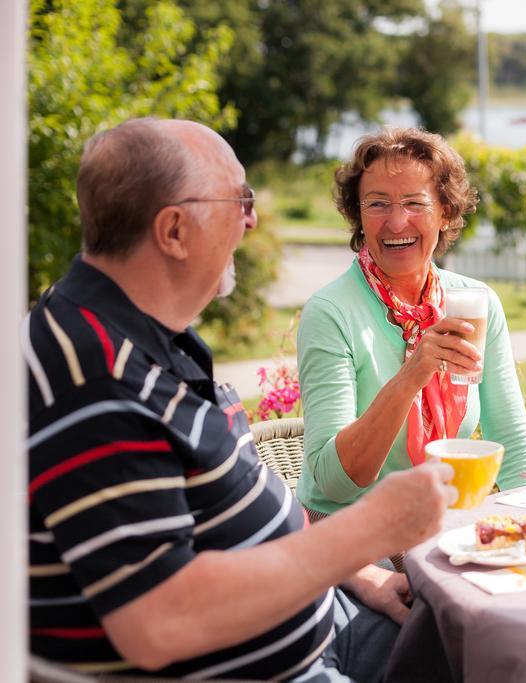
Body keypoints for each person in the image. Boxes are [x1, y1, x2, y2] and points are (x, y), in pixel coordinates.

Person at [25, 117, 455, 681]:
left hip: (331, 612)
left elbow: (242, 501)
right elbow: (159, 622)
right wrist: (367, 532)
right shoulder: (93, 377)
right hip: (286, 668)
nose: (251, 221)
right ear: (174, 230)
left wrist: (361, 574)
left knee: (478, 641)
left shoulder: (147, 336)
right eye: (239, 200)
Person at [296, 128, 526, 517]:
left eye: (414, 202)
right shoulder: (330, 312)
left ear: (445, 212)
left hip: (436, 524)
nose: (396, 223)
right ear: (358, 214)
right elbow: (336, 484)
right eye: (377, 204)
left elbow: (510, 438)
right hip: (349, 537)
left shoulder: (475, 303)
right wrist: (412, 375)